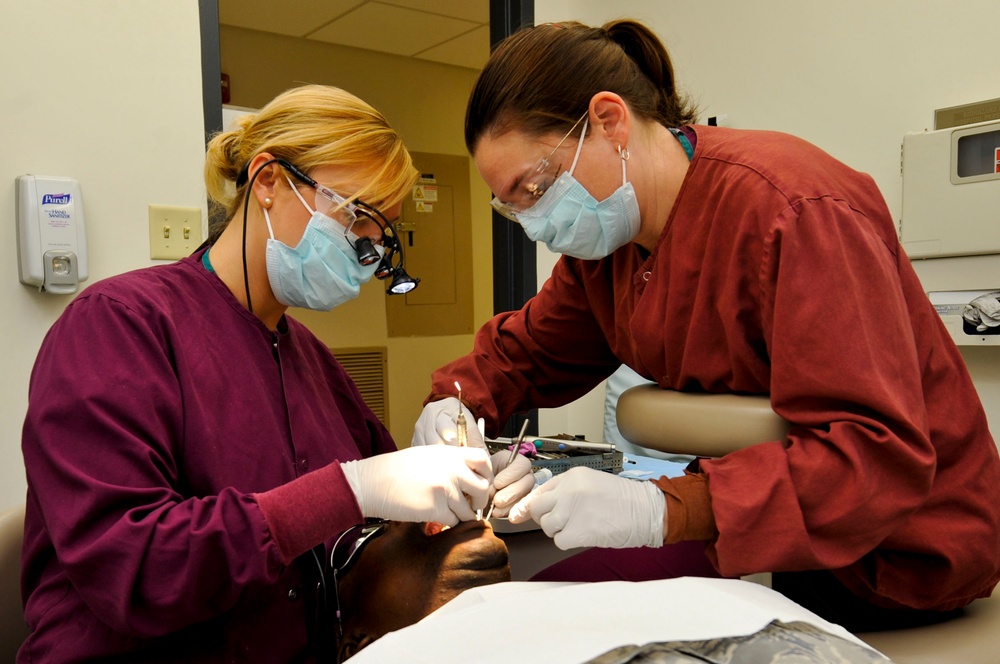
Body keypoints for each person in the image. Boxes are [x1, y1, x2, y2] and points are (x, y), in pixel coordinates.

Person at [413, 19, 1000, 631]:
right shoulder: (609, 253)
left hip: (894, 554)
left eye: (535, 186)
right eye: (513, 205)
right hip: (760, 531)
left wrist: (657, 511)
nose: (533, 222)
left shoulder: (794, 211)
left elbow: (875, 460)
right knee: (519, 612)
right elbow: (522, 354)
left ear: (610, 121)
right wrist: (453, 408)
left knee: (570, 626)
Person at [19, 84, 507, 662]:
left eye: (380, 234)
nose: (365, 250)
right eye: (356, 217)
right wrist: (352, 487)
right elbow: (138, 569)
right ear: (269, 181)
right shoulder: (119, 327)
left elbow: (375, 523)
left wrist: (469, 483)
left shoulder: (310, 360)